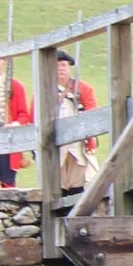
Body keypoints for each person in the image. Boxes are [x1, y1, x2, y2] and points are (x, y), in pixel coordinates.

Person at [52, 53, 103, 189]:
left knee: (77, 185)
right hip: (54, 144)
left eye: (63, 65)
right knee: (56, 185)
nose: (60, 68)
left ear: (69, 67)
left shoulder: (83, 89)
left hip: (78, 143)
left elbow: (92, 114)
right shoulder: (45, 90)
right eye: (56, 65)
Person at [0, 58, 33, 187]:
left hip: (8, 140)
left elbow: (23, 115)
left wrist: (13, 125)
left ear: (3, 62)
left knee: (8, 183)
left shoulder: (15, 86)